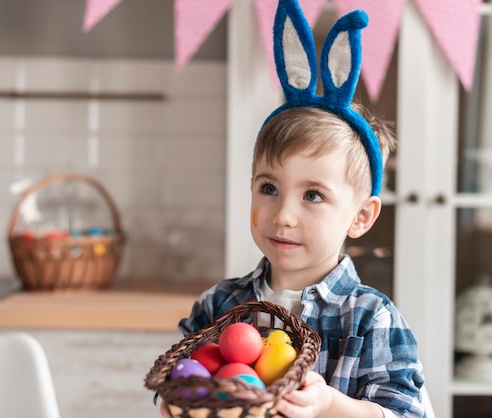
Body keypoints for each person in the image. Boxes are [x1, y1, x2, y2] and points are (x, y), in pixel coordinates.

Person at [158, 1, 426, 417]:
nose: (283, 214)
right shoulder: (219, 304)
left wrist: (329, 404)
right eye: (269, 187)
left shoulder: (371, 318)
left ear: (361, 217)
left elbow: (407, 413)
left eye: (313, 195)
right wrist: (180, 404)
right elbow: (178, 382)